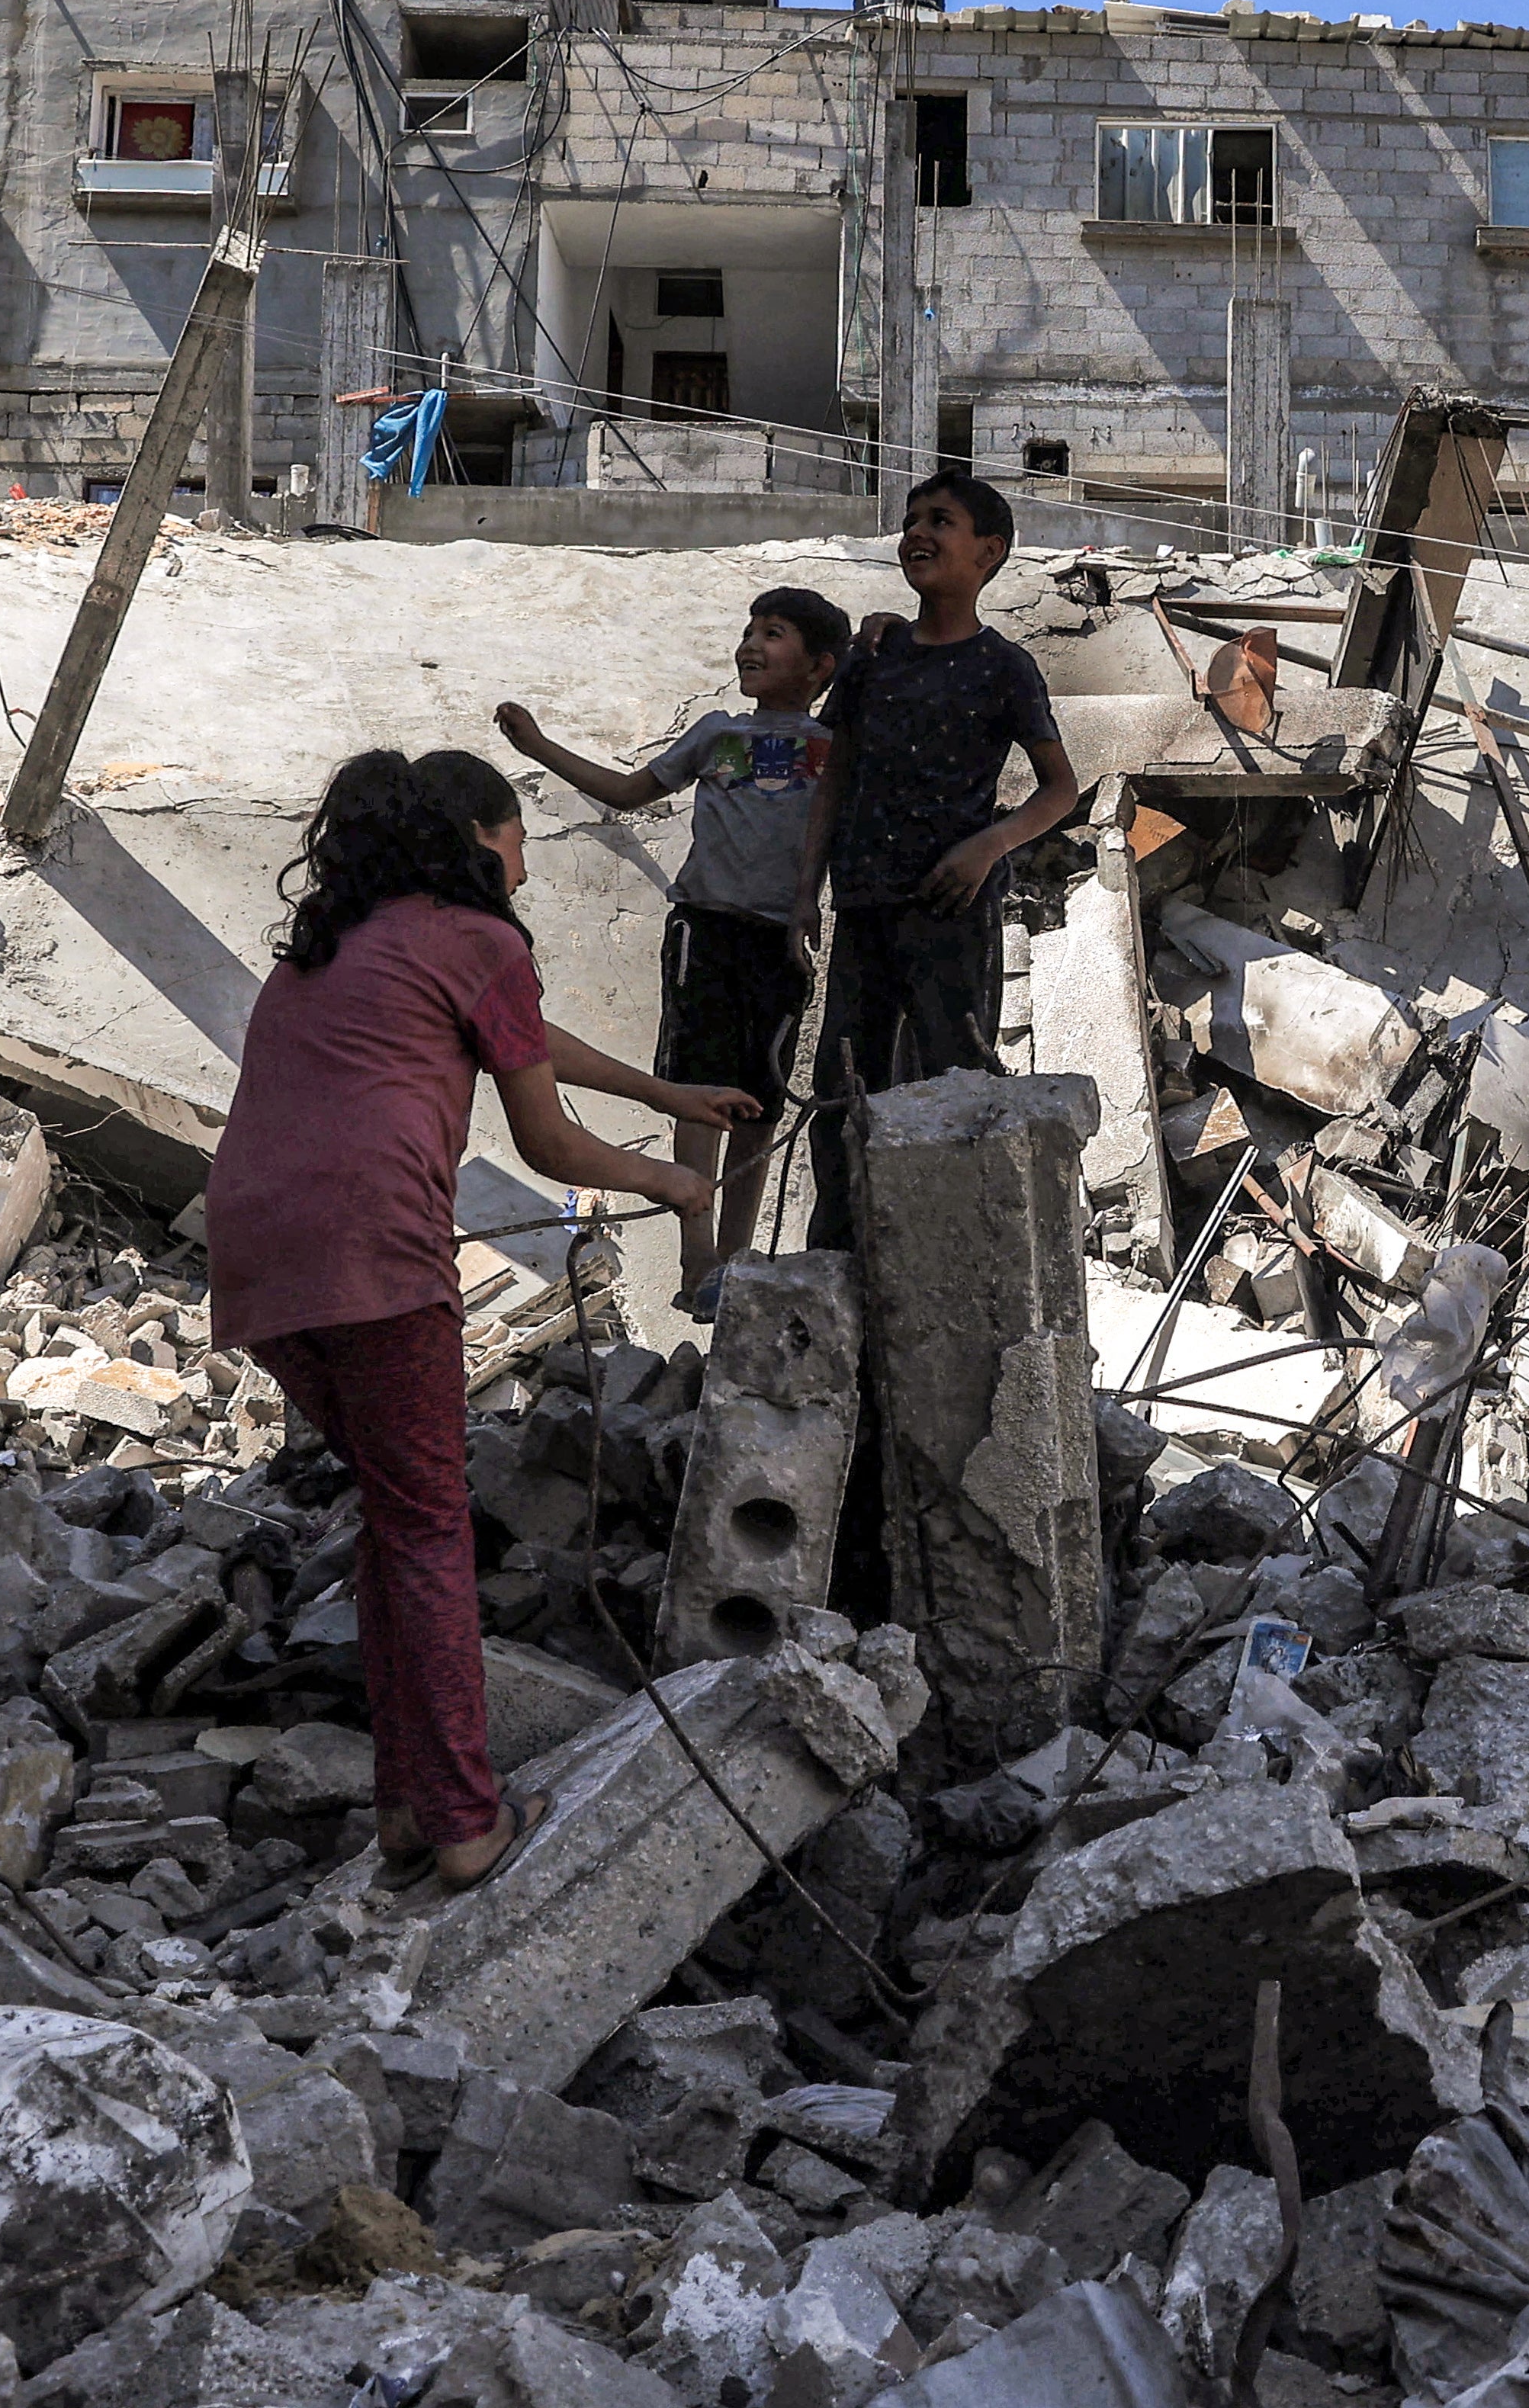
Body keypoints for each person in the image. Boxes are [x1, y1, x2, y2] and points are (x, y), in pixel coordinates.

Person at [209, 749, 740, 1894]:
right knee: (431, 1529)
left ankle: (408, 1808)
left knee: (395, 1522)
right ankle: (463, 1822)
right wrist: (678, 1185)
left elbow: (523, 1043)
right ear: (477, 842)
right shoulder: (480, 936)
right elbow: (546, 1143)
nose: (526, 873)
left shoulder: (329, 948)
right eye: (519, 846)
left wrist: (662, 1096)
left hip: (256, 1257)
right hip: (375, 1252)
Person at [493, 585, 845, 1315]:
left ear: (819, 667)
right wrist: (538, 748)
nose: (751, 644)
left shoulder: (834, 752)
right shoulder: (717, 735)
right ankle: (697, 1259)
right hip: (704, 931)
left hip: (777, 939)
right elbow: (626, 792)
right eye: (749, 630)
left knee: (760, 1101)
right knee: (697, 1087)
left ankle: (739, 1261)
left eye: (773, 634)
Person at [792, 471, 1079, 1109]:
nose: (916, 533)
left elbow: (1061, 790)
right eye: (909, 523)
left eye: (940, 521)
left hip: (951, 912)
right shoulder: (875, 653)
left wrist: (988, 848)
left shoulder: (1004, 666)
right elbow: (834, 776)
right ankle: (845, 1213)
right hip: (864, 907)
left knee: (953, 1093)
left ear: (990, 550)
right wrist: (806, 892)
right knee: (843, 1094)